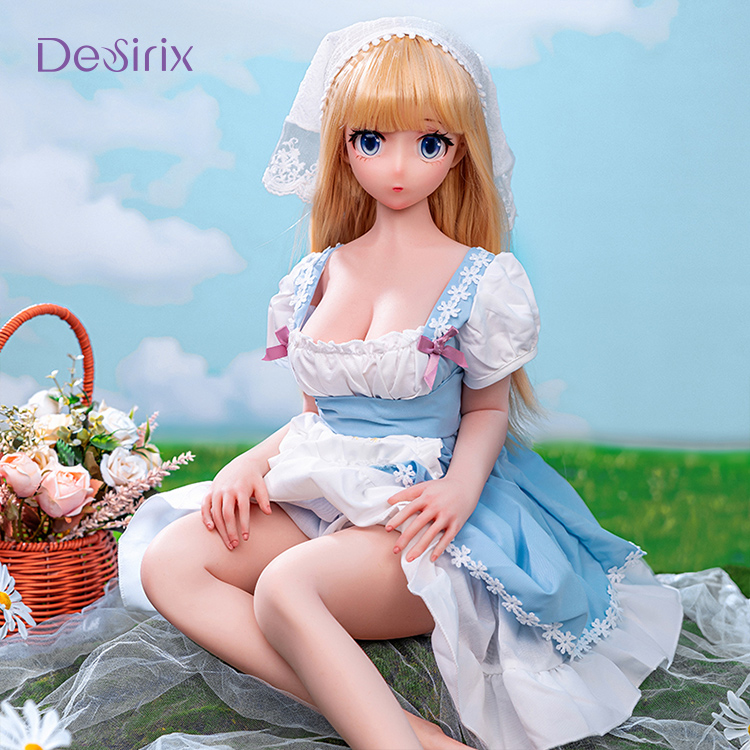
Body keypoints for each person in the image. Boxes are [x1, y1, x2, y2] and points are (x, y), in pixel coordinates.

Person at [119, 17, 683, 750]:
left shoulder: (480, 281)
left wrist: (458, 490)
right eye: (370, 140)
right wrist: (249, 463)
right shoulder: (314, 277)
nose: (397, 165)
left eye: (429, 143)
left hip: (416, 512)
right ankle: (404, 729)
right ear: (342, 146)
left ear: (458, 152)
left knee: (286, 588)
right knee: (172, 562)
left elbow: (486, 410)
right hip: (323, 497)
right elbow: (317, 418)